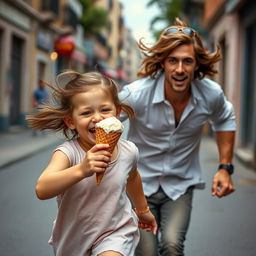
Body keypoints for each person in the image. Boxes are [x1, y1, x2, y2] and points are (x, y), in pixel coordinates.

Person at [119, 17, 236, 256]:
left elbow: (225, 117)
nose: (180, 69)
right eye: (173, 60)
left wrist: (225, 167)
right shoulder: (136, 94)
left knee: (172, 246)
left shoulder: (210, 94)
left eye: (187, 61)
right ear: (162, 62)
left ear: (197, 65)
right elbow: (105, 121)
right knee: (147, 252)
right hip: (138, 185)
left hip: (180, 185)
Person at [26, 71, 157, 256]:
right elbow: (42, 188)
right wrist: (81, 169)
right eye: (86, 112)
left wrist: (142, 210)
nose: (97, 118)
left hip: (115, 231)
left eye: (105, 110)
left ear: (117, 113)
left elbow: (133, 178)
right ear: (71, 121)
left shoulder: (129, 151)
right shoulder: (68, 153)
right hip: (73, 238)